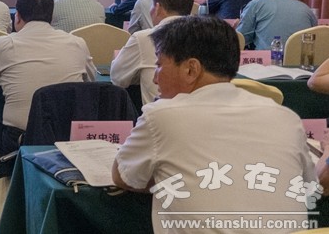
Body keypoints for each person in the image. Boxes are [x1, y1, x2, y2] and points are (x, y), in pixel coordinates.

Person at [112, 16, 317, 234]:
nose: (155, 78)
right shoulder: (286, 118)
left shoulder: (162, 116)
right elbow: (308, 185)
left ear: (191, 69)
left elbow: (123, 176)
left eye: (159, 65)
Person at [0, 0, 95, 213]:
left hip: (18, 140)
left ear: (17, 17)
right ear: (51, 17)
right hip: (67, 137)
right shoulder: (77, 43)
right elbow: (90, 81)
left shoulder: (3, 44)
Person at [111, 0, 193, 105]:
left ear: (158, 8)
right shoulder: (205, 37)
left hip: (157, 113)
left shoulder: (144, 38)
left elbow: (117, 78)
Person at [237, 0, 316, 49]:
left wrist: (237, 27)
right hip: (301, 58)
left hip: (269, 57)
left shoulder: (256, 4)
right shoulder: (305, 8)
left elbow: (242, 39)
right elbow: (315, 35)